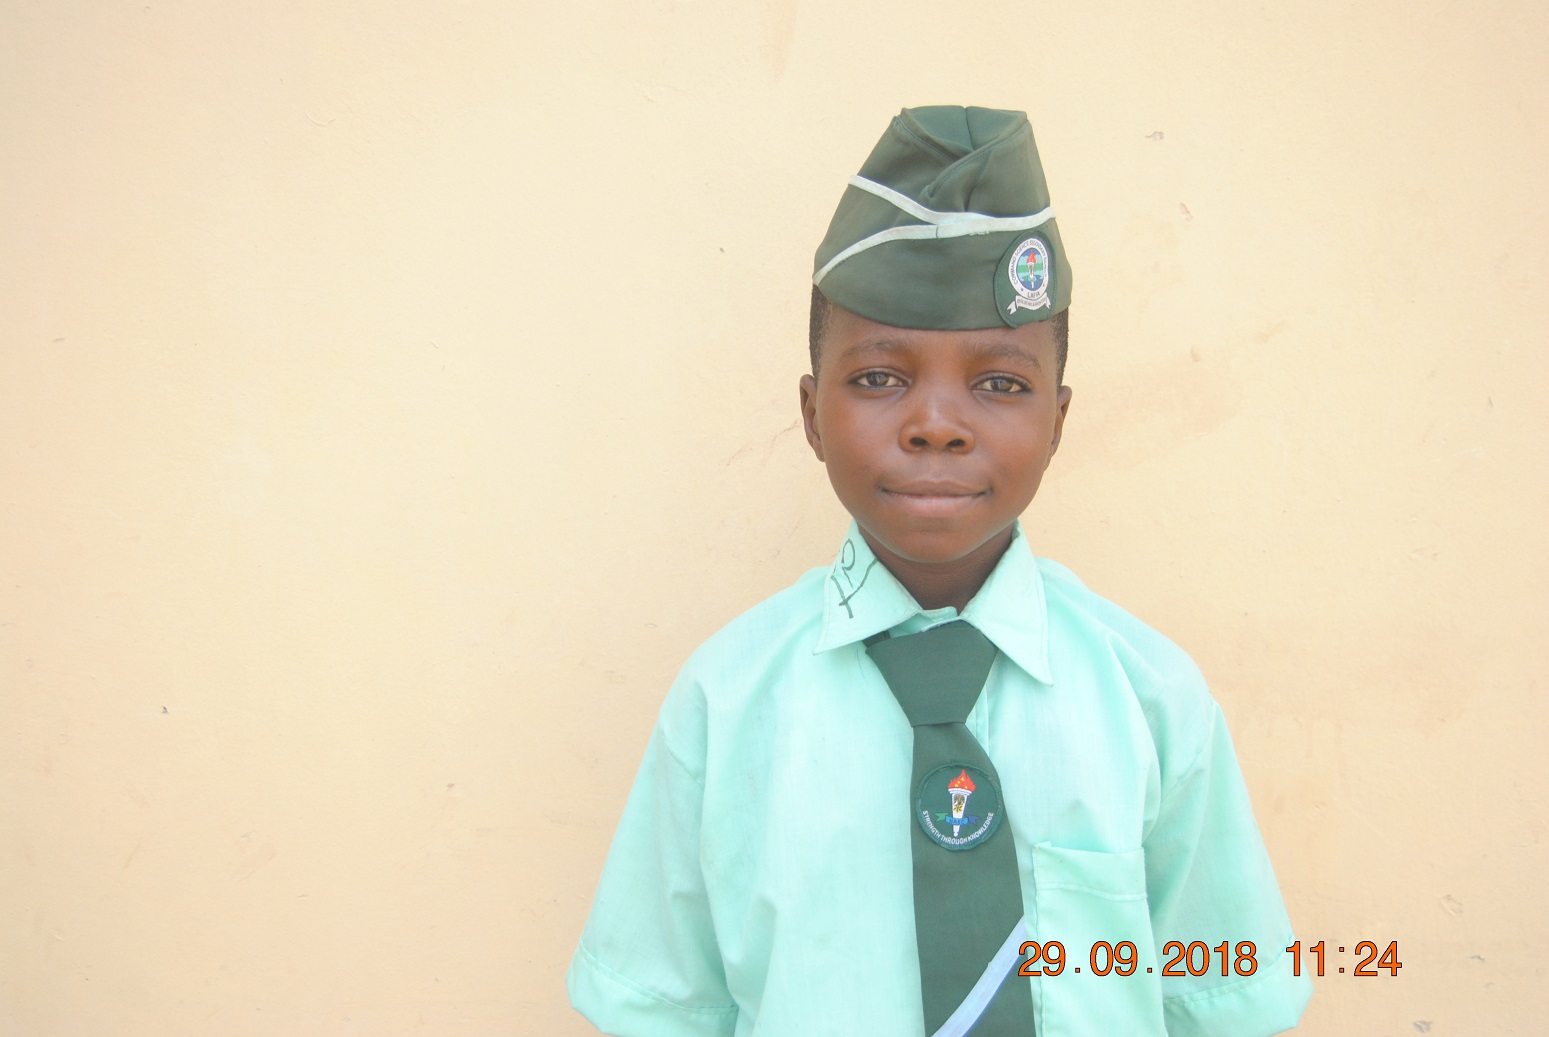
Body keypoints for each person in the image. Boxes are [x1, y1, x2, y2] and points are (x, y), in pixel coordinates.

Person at [566, 105, 1312, 1037]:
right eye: (879, 377)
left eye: (1000, 382)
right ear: (810, 414)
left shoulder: (1151, 698)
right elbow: (664, 1012)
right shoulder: (723, 704)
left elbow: (1218, 1000)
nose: (935, 425)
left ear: (1058, 420)